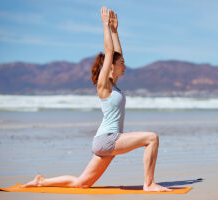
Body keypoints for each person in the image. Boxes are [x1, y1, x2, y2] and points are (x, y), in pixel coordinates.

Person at [21, 6, 172, 192]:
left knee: (82, 183)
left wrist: (115, 31)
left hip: (106, 141)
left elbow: (116, 54)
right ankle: (149, 184)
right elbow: (110, 53)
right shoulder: (104, 85)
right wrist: (105, 27)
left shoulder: (114, 84)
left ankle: (40, 182)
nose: (125, 66)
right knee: (152, 138)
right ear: (110, 67)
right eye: (122, 64)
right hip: (108, 140)